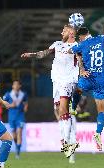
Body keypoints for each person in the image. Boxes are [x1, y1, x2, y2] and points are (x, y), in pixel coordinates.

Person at [21, 25, 79, 159]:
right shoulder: (57, 44)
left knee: (64, 109)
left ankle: (66, 141)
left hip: (68, 81)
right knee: (59, 110)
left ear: (70, 32)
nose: (61, 32)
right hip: (57, 81)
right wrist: (32, 55)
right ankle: (67, 140)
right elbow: (44, 53)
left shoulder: (77, 46)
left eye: (64, 30)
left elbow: (80, 59)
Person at [68, 21, 104, 151]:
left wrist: (79, 58)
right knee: (101, 110)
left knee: (77, 89)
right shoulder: (99, 39)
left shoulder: (81, 44)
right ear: (88, 33)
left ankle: (73, 108)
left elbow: (69, 50)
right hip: (101, 78)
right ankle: (98, 133)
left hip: (88, 76)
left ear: (81, 37)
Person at [3, 80, 28, 159]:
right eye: (14, 84)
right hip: (12, 116)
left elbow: (26, 102)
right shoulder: (8, 94)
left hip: (20, 116)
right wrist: (10, 105)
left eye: (17, 84)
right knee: (14, 135)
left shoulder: (23, 94)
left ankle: (18, 152)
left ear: (20, 86)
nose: (16, 86)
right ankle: (17, 146)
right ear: (12, 86)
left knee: (19, 132)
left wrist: (26, 107)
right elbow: (3, 104)